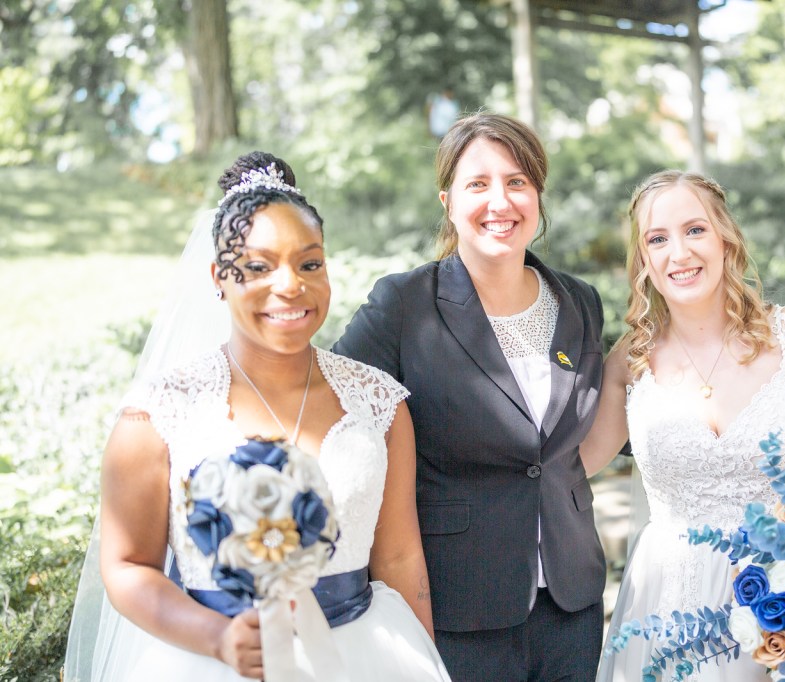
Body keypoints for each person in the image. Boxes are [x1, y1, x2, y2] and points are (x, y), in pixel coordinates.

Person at [63, 151, 451, 681]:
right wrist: (216, 637)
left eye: (309, 264)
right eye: (258, 267)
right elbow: (127, 566)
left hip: (368, 657)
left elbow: (401, 558)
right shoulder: (157, 414)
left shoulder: (380, 404)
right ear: (218, 277)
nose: (290, 285)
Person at [582, 170, 785, 681]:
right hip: (666, 612)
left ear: (725, 238)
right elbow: (566, 467)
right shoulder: (629, 363)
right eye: (658, 239)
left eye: (694, 230)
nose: (679, 253)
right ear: (643, 261)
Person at [333, 113, 606, 681]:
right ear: (449, 202)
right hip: (456, 610)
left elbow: (566, 445)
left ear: (537, 196)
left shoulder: (580, 302)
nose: (499, 201)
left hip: (572, 606)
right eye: (478, 184)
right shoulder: (403, 305)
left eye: (516, 182)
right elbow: (327, 409)